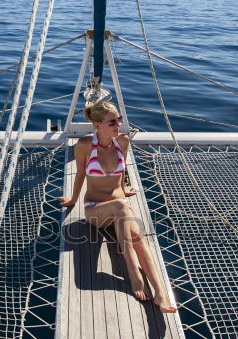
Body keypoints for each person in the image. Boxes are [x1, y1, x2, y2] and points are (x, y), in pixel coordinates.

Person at [59, 101, 177, 313]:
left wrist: (123, 187)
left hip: (119, 206)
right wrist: (73, 200)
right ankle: (133, 272)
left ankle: (161, 294)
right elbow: (79, 175)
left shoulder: (122, 141)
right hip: (96, 210)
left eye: (119, 120)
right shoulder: (85, 145)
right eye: (112, 122)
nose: (118, 125)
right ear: (97, 125)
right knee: (122, 207)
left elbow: (121, 172)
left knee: (139, 239)